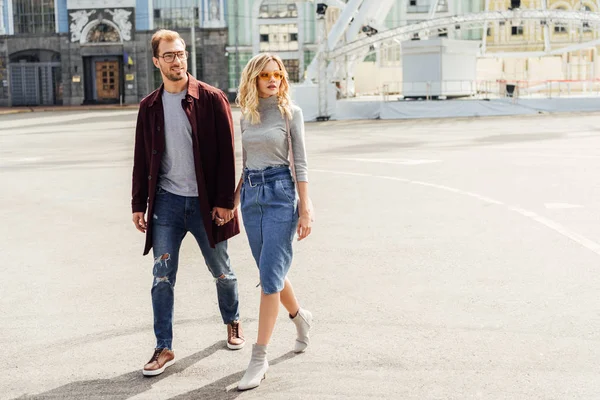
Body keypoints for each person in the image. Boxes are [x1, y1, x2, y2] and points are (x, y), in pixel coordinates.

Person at [131, 29, 245, 377]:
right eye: (169, 55)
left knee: (222, 271)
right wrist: (138, 203)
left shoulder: (211, 99)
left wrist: (227, 201)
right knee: (162, 276)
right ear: (156, 61)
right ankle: (163, 347)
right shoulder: (149, 106)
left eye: (180, 54)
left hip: (206, 203)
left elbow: (228, 154)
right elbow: (140, 158)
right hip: (165, 204)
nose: (177, 60)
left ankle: (233, 321)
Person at [234, 53, 314, 390]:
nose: (272, 80)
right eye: (265, 75)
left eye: (277, 75)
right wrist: (231, 201)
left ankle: (258, 358)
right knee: (273, 272)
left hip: (281, 195)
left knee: (269, 276)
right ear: (253, 79)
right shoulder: (247, 116)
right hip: (251, 198)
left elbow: (302, 164)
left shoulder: (290, 114)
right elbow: (246, 162)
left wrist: (306, 208)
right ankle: (301, 318)